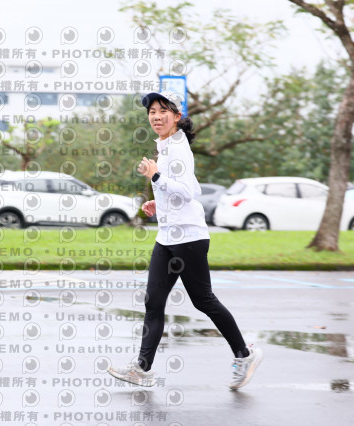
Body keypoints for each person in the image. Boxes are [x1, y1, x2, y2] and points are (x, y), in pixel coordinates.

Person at [107, 91, 263, 390]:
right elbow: (184, 190)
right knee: (153, 302)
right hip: (168, 237)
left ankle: (245, 355)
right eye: (152, 112)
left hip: (188, 237)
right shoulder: (166, 147)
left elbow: (189, 192)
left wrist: (155, 177)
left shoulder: (179, 148)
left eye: (162, 111)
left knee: (203, 300)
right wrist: (159, 203)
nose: (156, 116)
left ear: (176, 116)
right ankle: (142, 368)